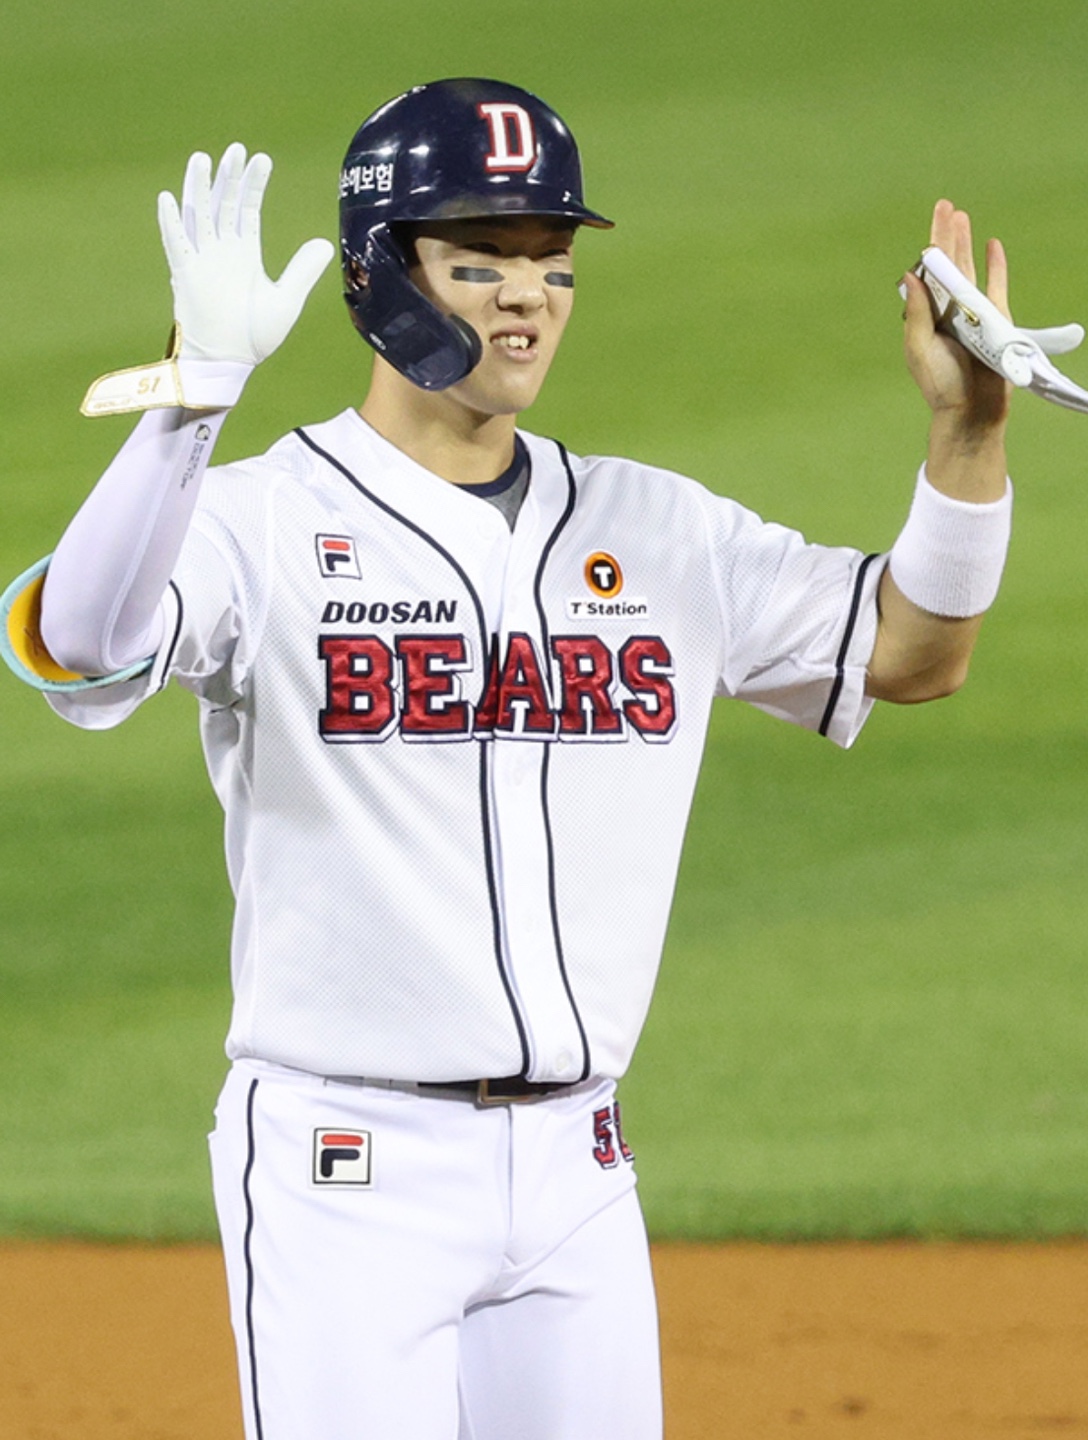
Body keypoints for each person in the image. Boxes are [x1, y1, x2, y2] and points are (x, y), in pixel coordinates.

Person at [8, 77, 1013, 1440]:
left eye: (552, 261)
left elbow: (911, 651)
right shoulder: (262, 521)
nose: (527, 296)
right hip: (345, 1171)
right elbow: (81, 640)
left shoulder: (659, 529)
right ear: (382, 278)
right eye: (480, 260)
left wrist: (966, 434)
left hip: (579, 1170)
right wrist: (188, 410)